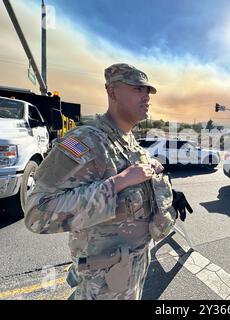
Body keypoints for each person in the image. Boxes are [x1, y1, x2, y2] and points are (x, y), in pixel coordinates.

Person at [24, 63, 192, 300]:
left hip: (131, 275)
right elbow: (36, 214)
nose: (146, 97)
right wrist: (117, 183)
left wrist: (165, 194)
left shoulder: (132, 144)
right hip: (100, 286)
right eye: (137, 89)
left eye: (148, 92)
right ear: (112, 92)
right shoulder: (85, 141)